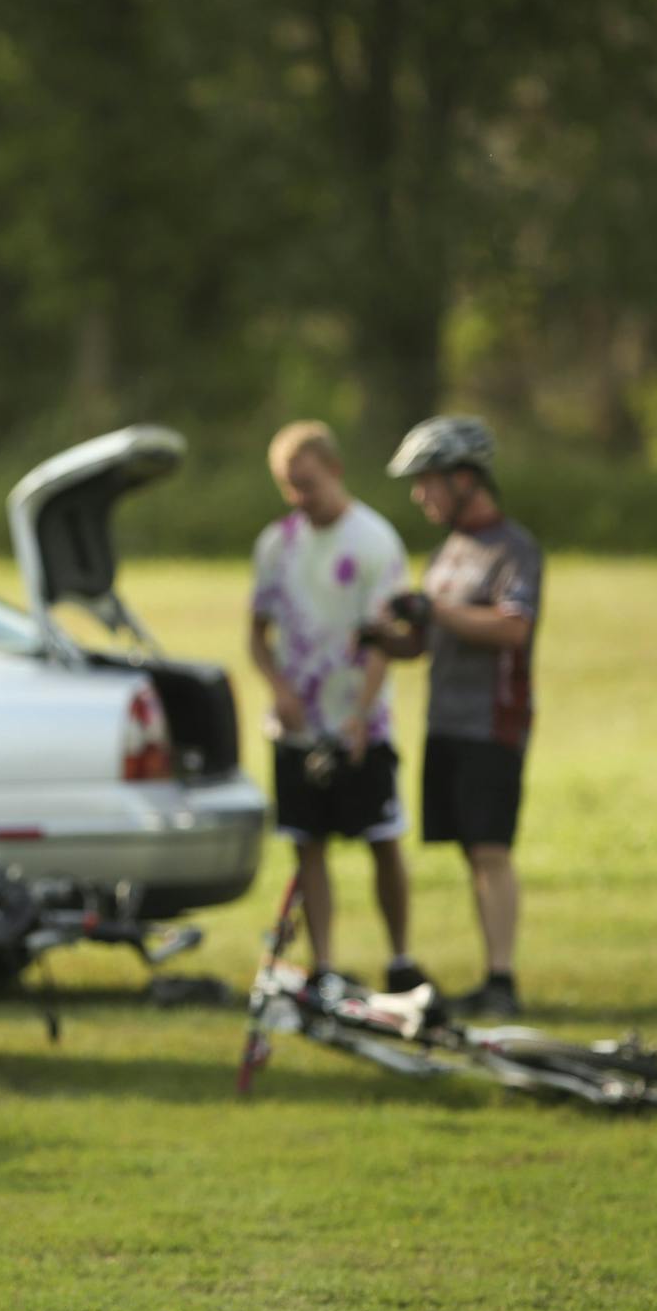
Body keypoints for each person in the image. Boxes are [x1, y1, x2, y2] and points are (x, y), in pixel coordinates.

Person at [367, 415, 543, 1018]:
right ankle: (490, 976)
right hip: (445, 723)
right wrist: (384, 636)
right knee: (472, 850)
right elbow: (423, 644)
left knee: (490, 849)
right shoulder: (447, 553)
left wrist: (433, 610)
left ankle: (501, 980)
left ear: (466, 479)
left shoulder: (512, 549)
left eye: (429, 482)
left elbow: (513, 627)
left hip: (493, 723)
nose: (421, 495)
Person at [249, 420, 427, 994]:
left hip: (360, 723)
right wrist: (278, 688)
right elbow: (258, 634)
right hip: (298, 724)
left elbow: (383, 638)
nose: (300, 497)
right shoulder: (277, 544)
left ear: (336, 470)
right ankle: (325, 962)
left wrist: (361, 713)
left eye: (308, 483)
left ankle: (400, 957)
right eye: (288, 486)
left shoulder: (374, 541)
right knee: (309, 845)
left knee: (381, 839)